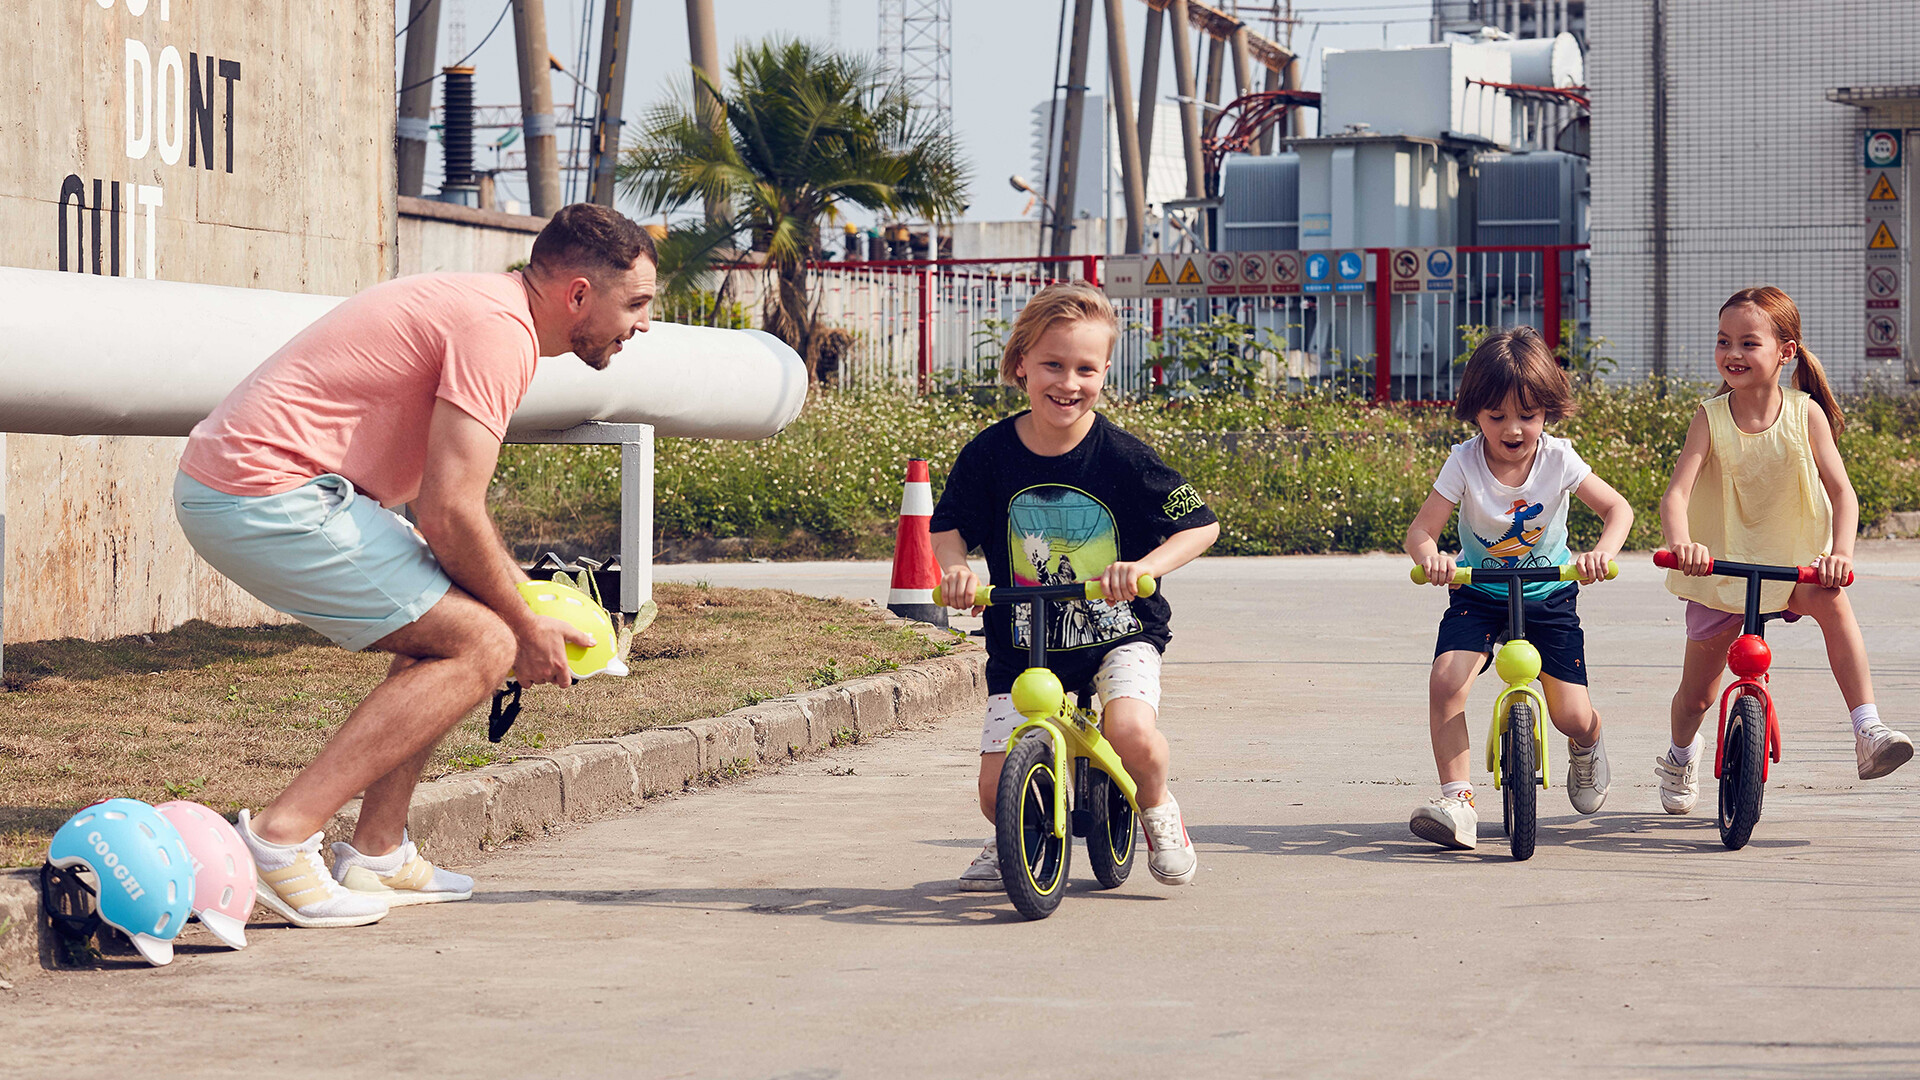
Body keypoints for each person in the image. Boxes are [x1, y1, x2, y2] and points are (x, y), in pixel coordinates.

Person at [173, 204, 657, 927]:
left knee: (459, 618)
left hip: (285, 491)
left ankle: (376, 850)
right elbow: (448, 513)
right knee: (483, 640)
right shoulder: (498, 333)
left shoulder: (494, 313)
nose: (643, 325)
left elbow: (450, 519)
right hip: (263, 493)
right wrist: (523, 623)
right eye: (638, 303)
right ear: (579, 294)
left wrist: (516, 595)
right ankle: (278, 840)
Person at [929, 283, 1219, 892]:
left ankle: (1159, 809)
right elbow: (949, 527)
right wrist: (955, 569)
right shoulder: (988, 455)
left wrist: (1142, 566)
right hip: (1023, 642)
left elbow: (1200, 525)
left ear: (1105, 374)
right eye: (1053, 365)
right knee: (991, 791)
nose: (1069, 382)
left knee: (1130, 733)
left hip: (1120, 631)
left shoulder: (1122, 457)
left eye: (1086, 368)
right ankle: (1018, 828)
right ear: (1020, 367)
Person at [1656, 286, 1911, 811]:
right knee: (1697, 696)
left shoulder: (1805, 414)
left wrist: (1841, 553)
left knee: (1834, 603)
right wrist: (1682, 544)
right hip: (1720, 572)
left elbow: (1843, 492)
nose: (1733, 353)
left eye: (1749, 343)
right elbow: (1675, 494)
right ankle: (1681, 755)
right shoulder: (1710, 417)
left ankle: (1868, 729)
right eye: (1724, 341)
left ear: (1786, 351)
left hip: (1792, 566)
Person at [1403, 327, 1633, 850]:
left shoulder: (1559, 459)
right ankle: (1457, 801)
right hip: (1479, 591)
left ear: (1547, 412)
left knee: (1570, 714)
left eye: (1527, 416)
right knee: (1446, 680)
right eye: (1496, 416)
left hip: (1548, 593)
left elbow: (1618, 509)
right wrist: (1432, 558)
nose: (1513, 429)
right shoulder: (1463, 462)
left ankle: (1589, 741)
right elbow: (1422, 532)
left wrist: (1602, 553)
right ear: (1474, 414)